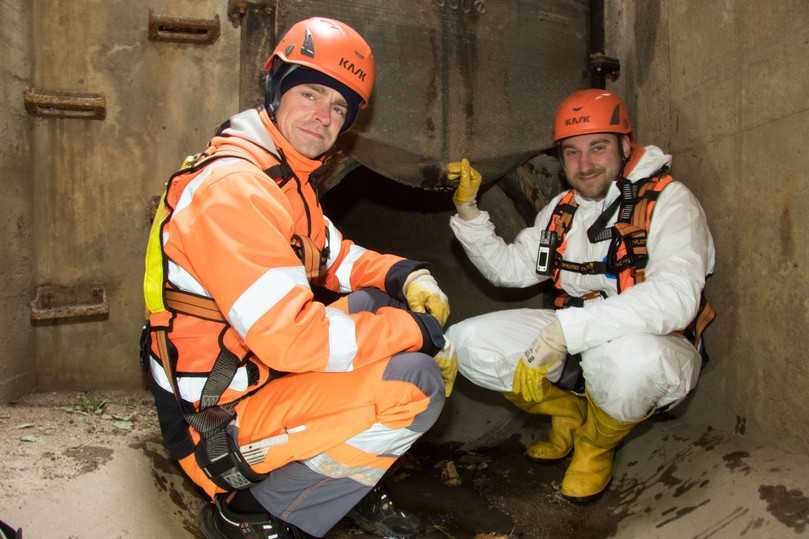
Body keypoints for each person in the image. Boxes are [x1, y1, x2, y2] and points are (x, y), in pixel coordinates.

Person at [142, 17, 452, 538]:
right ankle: (254, 514)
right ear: (275, 89)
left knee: (376, 302)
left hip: (255, 375)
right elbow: (290, 340)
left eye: (339, 108)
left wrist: (405, 275)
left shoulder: (283, 179)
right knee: (416, 382)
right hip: (216, 425)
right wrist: (417, 331)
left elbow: (336, 256)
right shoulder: (235, 188)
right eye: (311, 94)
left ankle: (340, 482)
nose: (323, 116)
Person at [436, 89, 715, 502]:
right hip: (573, 341)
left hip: (649, 345)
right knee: (465, 342)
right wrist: (469, 212)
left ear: (625, 146)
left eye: (598, 147)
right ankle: (567, 413)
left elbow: (676, 297)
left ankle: (594, 445)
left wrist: (567, 331)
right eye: (572, 152)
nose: (584, 165)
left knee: (630, 361)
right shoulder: (561, 209)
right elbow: (509, 270)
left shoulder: (669, 201)